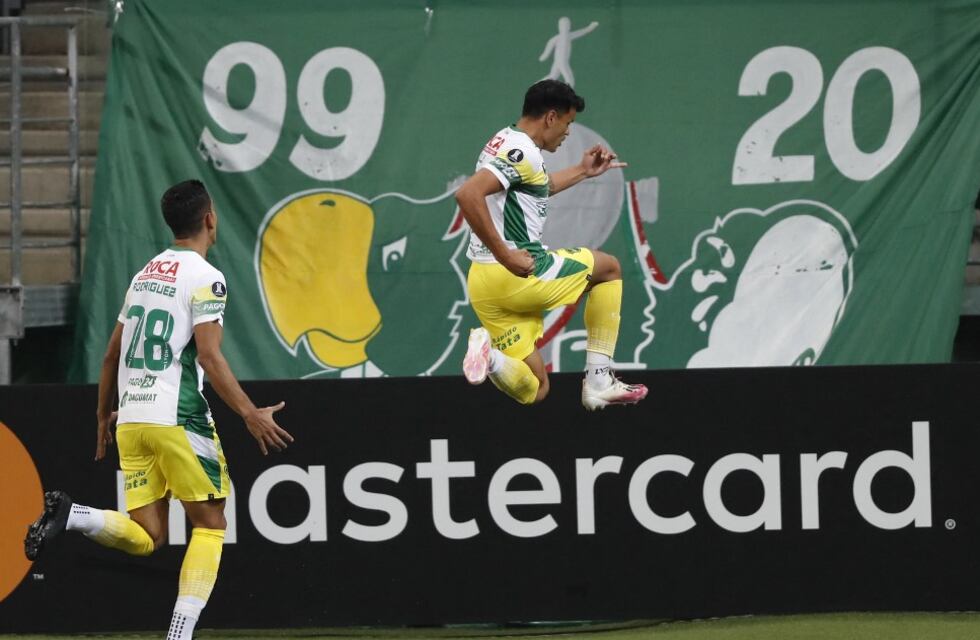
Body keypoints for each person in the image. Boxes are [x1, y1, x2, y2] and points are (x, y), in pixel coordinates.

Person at [24, 180, 293, 640]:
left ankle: (73, 515)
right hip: (177, 416)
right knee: (210, 525)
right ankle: (179, 635)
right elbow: (209, 355)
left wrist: (103, 416)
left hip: (132, 418)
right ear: (210, 218)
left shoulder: (144, 274)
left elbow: (111, 355)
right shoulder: (207, 277)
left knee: (147, 535)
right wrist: (249, 413)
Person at [457, 79, 648, 410]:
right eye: (567, 122)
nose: (568, 132)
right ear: (550, 117)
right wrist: (506, 256)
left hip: (484, 284)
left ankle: (490, 359)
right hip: (519, 274)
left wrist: (582, 171)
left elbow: (535, 187)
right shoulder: (523, 152)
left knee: (536, 388)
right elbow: (468, 194)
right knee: (609, 269)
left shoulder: (504, 140)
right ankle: (599, 380)